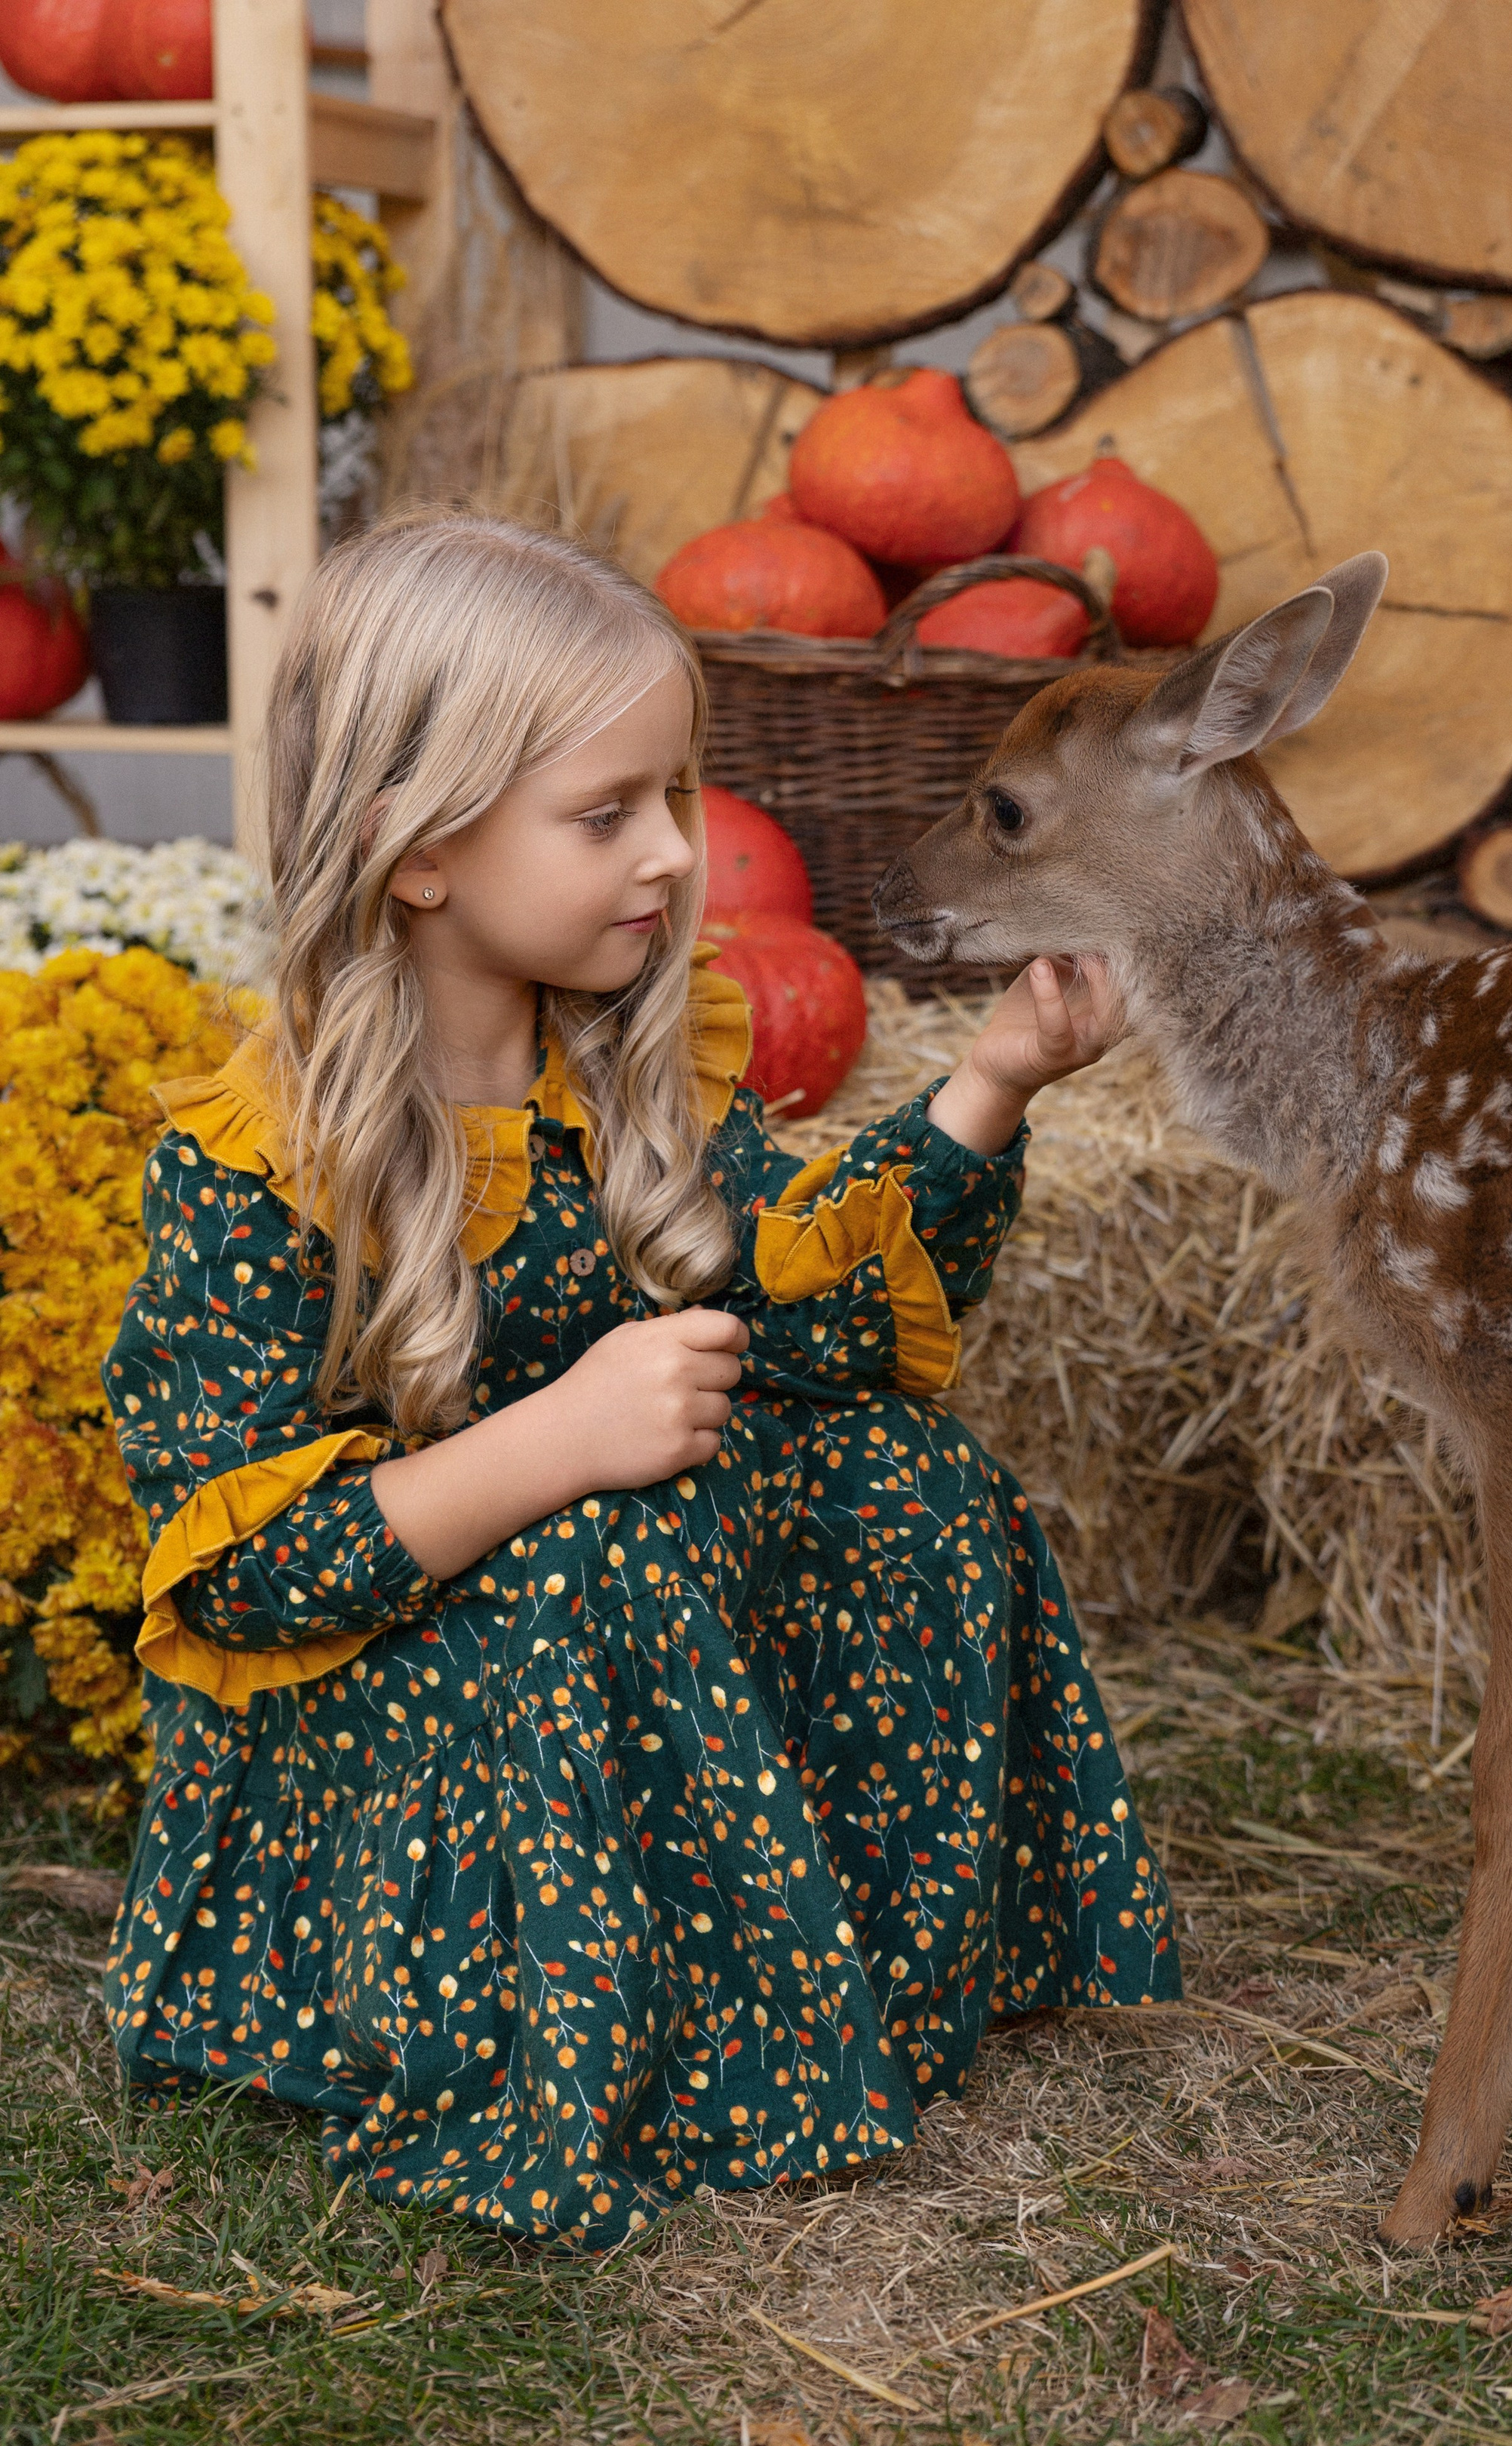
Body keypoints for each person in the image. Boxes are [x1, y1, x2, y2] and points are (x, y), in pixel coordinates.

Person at [100, 512, 1179, 2248]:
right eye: (607, 814)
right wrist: (556, 1439)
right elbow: (240, 1573)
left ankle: (844, 1983)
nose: (676, 851)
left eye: (674, 795)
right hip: (384, 1702)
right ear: (415, 851)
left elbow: (805, 1341)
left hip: (603, 1602)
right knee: (597, 1550)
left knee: (905, 1476)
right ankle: (558, 2037)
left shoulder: (626, 1072)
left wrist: (988, 1085)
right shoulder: (261, 1163)